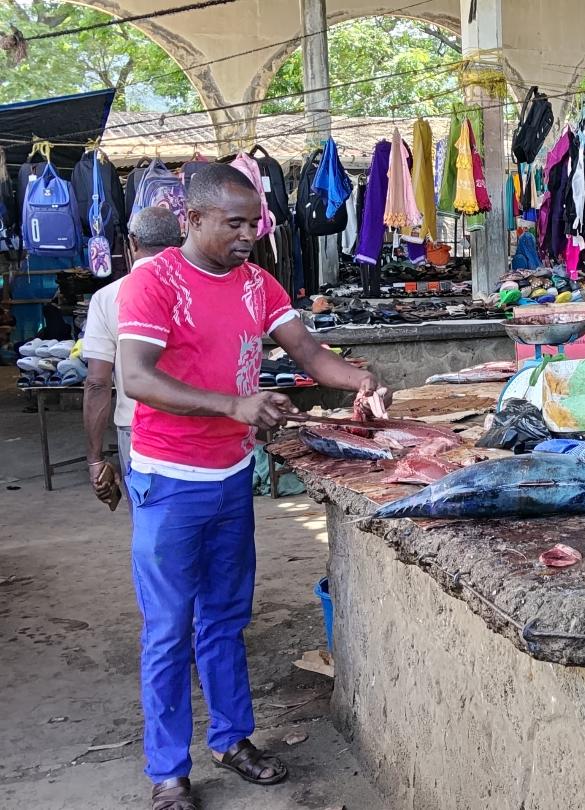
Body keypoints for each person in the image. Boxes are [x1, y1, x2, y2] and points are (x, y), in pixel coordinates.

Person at [116, 164, 383, 810]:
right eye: (233, 224)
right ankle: (169, 771)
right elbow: (136, 378)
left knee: (225, 619)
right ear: (192, 220)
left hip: (231, 479)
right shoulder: (154, 284)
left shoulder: (256, 284)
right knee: (168, 629)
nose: (248, 235)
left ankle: (233, 738)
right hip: (171, 481)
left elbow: (309, 354)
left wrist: (359, 381)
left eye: (254, 223)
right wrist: (233, 406)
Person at [83, 207, 184, 506]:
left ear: (133, 242)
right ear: (179, 241)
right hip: (199, 421)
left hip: (138, 427)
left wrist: (95, 459)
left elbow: (98, 383)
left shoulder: (108, 297)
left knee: (150, 521)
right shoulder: (199, 290)